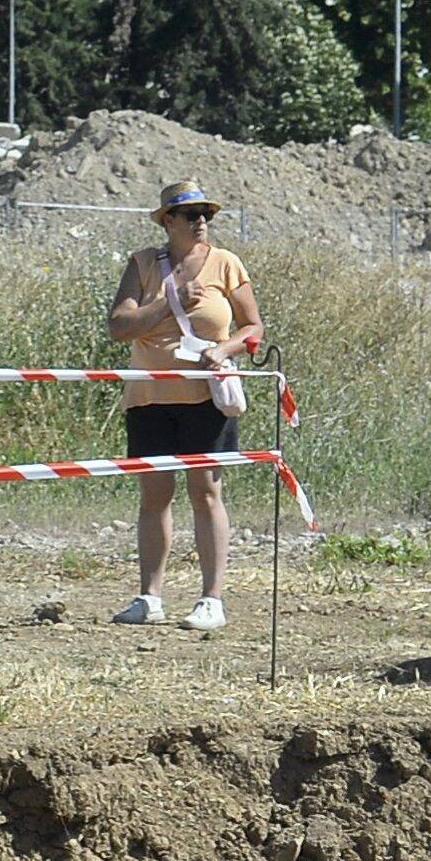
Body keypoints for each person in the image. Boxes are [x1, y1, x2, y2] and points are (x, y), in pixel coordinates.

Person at [107, 181, 261, 634]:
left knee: (206, 493)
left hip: (204, 398)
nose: (200, 222)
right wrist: (170, 310)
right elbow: (120, 325)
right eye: (190, 213)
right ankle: (149, 595)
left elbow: (253, 326)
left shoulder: (227, 263)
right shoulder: (141, 265)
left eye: (205, 214)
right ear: (167, 221)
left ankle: (211, 598)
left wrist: (227, 349)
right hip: (150, 398)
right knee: (154, 497)